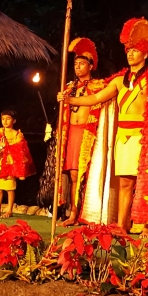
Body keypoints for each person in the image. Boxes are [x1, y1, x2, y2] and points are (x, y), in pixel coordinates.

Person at [58, 17, 148, 237]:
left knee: (147, 182)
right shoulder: (118, 81)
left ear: (145, 54)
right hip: (123, 138)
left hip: (145, 138)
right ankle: (122, 225)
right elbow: (95, 98)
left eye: (135, 50)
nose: (130, 54)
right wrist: (69, 100)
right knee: (126, 183)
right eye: (128, 50)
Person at [57, 37, 106, 226]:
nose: (77, 67)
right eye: (76, 64)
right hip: (70, 133)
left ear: (90, 66)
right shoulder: (69, 88)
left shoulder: (98, 86)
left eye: (81, 64)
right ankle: (72, 213)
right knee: (72, 175)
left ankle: (86, 213)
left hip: (87, 133)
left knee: (85, 174)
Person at [0, 110, 36, 219]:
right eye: (3, 119)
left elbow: (21, 150)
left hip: (10, 164)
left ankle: (9, 210)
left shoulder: (17, 135)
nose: (5, 121)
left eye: (8, 118)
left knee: (10, 188)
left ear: (14, 120)